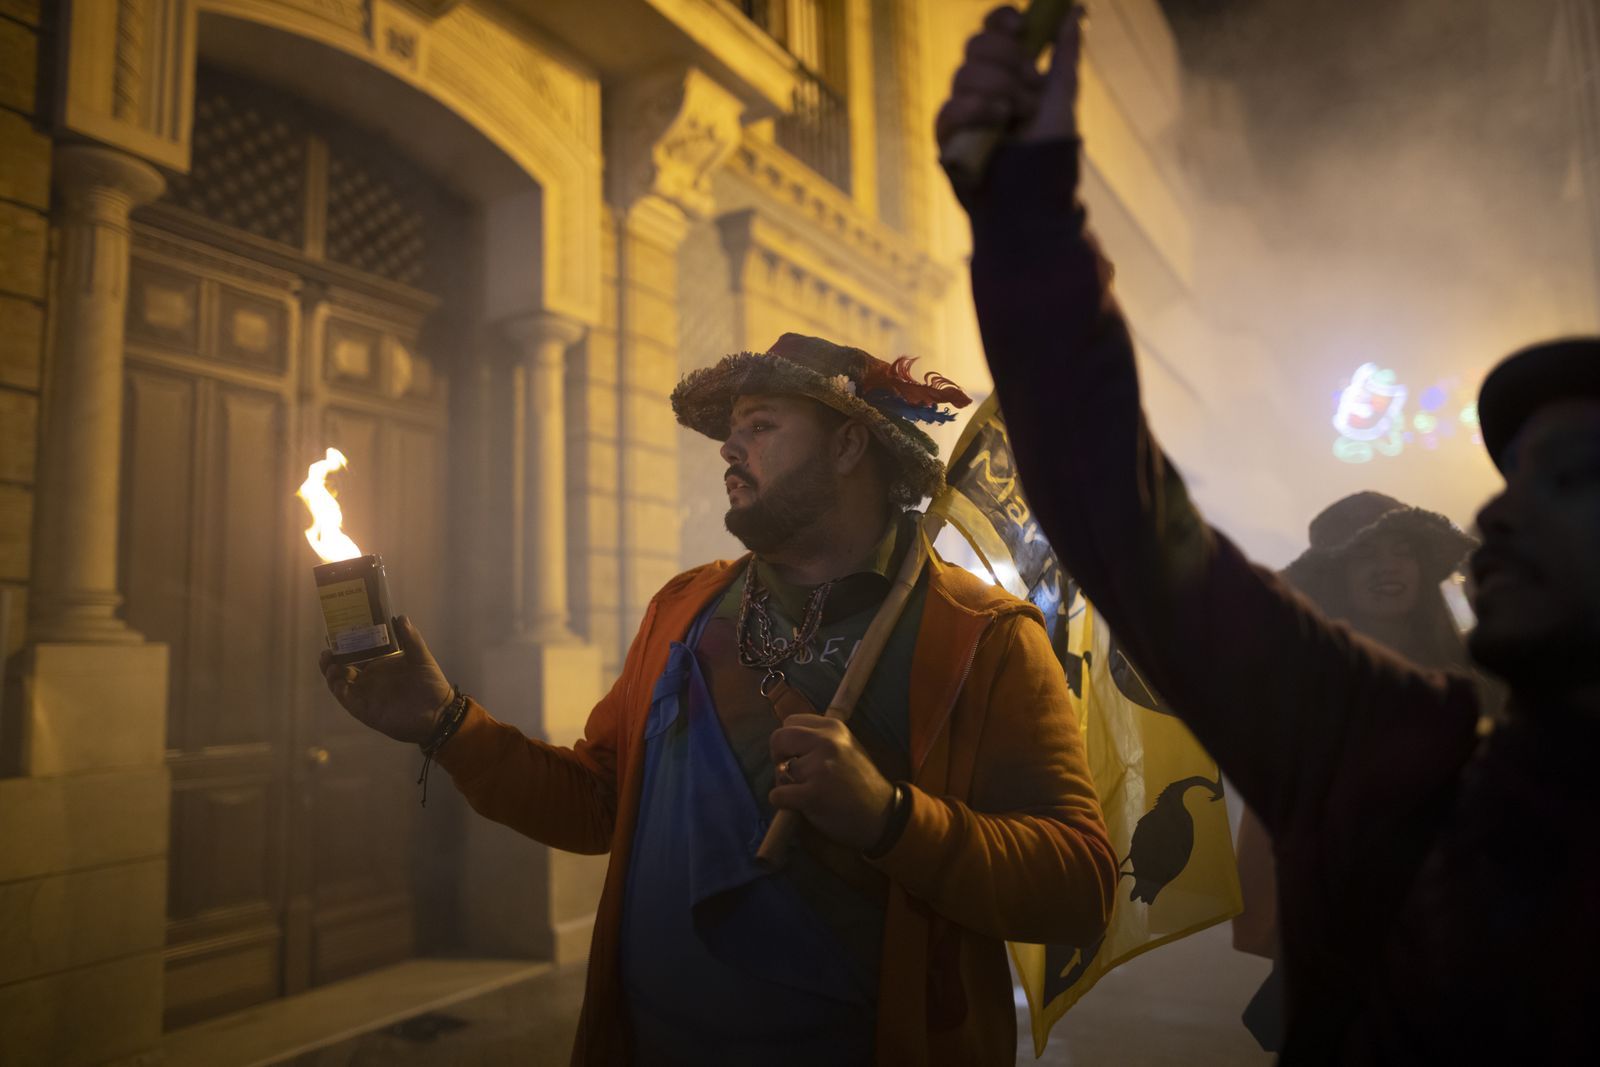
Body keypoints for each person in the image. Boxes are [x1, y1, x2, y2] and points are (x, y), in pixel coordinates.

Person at [939, 5, 1600, 1062]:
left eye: (1573, 476)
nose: (1498, 511)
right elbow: (1121, 514)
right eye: (1508, 475)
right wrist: (1024, 212)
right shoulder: (1390, 750)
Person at [319, 331, 1116, 1065]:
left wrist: (892, 817)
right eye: (731, 428)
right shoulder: (683, 607)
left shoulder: (984, 637)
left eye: (761, 425)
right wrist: (447, 723)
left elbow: (1080, 886)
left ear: (848, 443)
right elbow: (599, 801)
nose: (730, 447)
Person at [1233, 492, 1484, 1051]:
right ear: (1337, 575)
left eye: (1402, 553)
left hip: (1463, 935)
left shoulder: (1477, 678)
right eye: (1367, 556)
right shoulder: (1304, 685)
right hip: (1339, 937)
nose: (1388, 568)